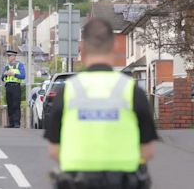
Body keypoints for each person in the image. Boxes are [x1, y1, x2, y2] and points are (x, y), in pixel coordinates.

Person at [44, 19, 158, 189]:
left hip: (76, 181)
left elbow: (54, 150)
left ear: (81, 48)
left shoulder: (68, 91)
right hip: (124, 181)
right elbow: (148, 151)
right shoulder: (132, 91)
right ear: (114, 47)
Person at [1, 50, 25, 128]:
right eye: (7, 56)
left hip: (16, 86)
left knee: (16, 105)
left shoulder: (20, 65)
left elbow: (23, 76)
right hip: (8, 87)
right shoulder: (7, 66)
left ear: (14, 56)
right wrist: (4, 75)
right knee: (10, 105)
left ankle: (16, 123)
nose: (8, 57)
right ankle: (11, 123)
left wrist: (14, 74)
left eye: (10, 56)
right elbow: (2, 78)